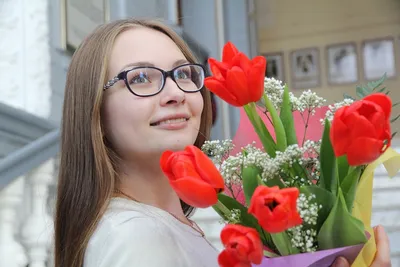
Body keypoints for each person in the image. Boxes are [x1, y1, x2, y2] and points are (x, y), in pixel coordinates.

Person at [53, 18, 391, 267]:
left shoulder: (163, 225)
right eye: (140, 78)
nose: (174, 93)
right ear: (94, 110)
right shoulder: (134, 236)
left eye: (183, 73)